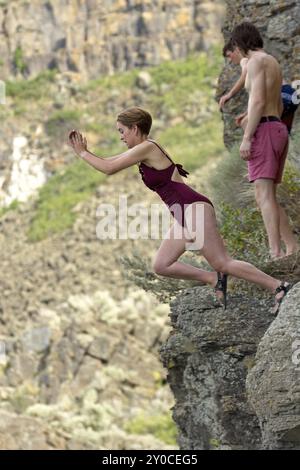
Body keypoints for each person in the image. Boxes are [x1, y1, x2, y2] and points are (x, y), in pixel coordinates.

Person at [68, 106, 291, 313]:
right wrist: (88, 152)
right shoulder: (142, 150)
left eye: (122, 131)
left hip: (193, 208)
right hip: (183, 213)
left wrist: (82, 153)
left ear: (135, 128)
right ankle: (214, 278)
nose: (121, 137)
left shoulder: (147, 147)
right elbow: (109, 161)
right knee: (162, 264)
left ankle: (278, 286)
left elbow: (108, 168)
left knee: (222, 261)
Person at [230, 22, 299, 260]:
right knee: (266, 196)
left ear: (239, 44)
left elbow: (258, 101)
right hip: (278, 128)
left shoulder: (256, 62)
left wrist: (247, 137)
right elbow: (277, 103)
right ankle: (291, 247)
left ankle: (275, 252)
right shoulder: (273, 61)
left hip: (265, 131)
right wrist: (250, 117)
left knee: (264, 196)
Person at [219, 40, 299, 134]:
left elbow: (245, 75)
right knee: (282, 134)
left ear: (236, 50)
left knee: (247, 123)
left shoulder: (245, 60)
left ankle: (254, 147)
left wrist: (229, 94)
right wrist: (247, 112)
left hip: (282, 95)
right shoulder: (260, 57)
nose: (230, 60)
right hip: (291, 94)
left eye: (229, 55)